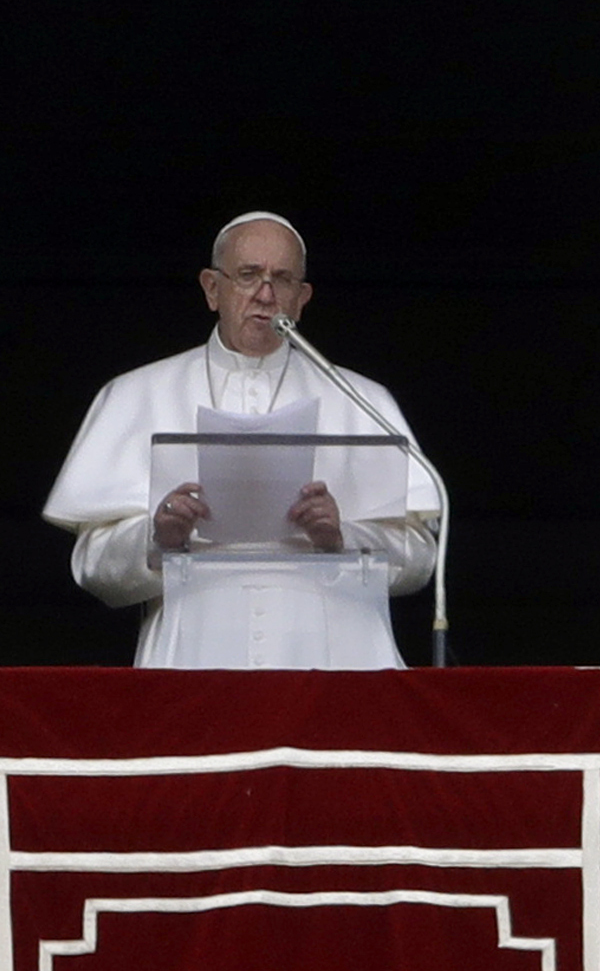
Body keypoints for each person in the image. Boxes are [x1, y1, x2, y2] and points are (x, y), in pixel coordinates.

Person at [43, 211, 441, 668]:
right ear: (212, 289)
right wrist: (158, 538)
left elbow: (419, 561)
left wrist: (342, 537)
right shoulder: (137, 393)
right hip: (193, 658)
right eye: (248, 275)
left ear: (302, 298)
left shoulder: (362, 400)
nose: (265, 295)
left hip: (338, 661)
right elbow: (94, 567)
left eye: (282, 279)